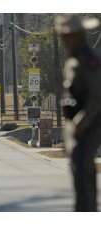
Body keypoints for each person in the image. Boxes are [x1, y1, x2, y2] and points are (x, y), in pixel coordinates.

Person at [55, 14, 101, 211]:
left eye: (68, 35)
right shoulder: (75, 57)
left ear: (79, 35)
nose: (65, 39)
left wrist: (81, 123)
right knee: (79, 170)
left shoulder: (89, 60)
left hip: (91, 123)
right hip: (78, 123)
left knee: (83, 170)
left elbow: (97, 97)